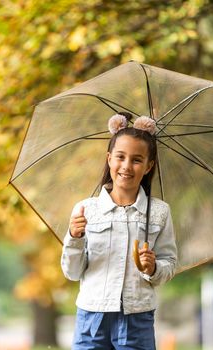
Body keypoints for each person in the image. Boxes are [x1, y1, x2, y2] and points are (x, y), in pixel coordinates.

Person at [61, 111, 178, 349]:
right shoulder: (86, 209)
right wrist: (74, 237)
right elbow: (72, 272)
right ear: (109, 159)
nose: (127, 166)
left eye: (136, 160)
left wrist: (153, 268)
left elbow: (170, 264)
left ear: (148, 166)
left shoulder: (159, 212)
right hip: (92, 317)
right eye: (120, 157)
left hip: (137, 317)